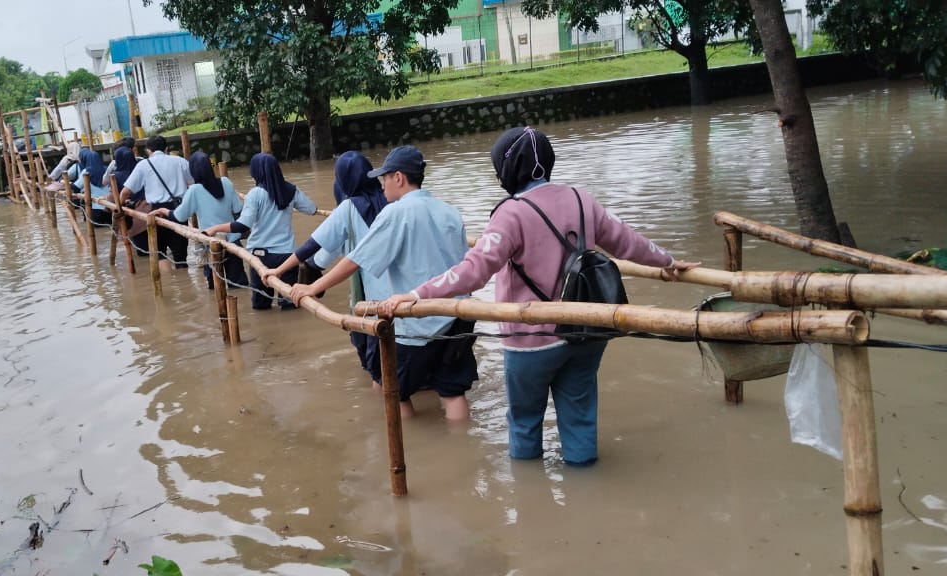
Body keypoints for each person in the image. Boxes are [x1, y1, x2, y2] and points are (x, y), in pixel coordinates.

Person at [378, 127, 700, 464]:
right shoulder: (581, 199)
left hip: (532, 341)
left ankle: (531, 500)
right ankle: (583, 487)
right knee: (580, 419)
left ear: (507, 168)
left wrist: (416, 293)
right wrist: (669, 262)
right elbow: (628, 242)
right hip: (586, 333)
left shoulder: (511, 213)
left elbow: (474, 269)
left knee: (525, 423)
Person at [288, 146, 475, 420]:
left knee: (393, 391)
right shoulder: (449, 211)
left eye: (384, 177)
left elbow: (356, 259)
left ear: (398, 177)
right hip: (457, 315)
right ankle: (460, 450)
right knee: (452, 392)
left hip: (416, 321)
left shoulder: (395, 213)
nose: (381, 184)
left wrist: (312, 288)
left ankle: (412, 451)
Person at [262, 151, 390, 386]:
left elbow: (311, 246)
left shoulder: (349, 208)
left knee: (380, 373)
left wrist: (278, 271)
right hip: (402, 294)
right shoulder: (390, 201)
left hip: (375, 301)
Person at [205, 153, 317, 310]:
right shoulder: (291, 191)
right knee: (290, 305)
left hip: (261, 257)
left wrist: (215, 228)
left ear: (255, 172)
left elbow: (243, 225)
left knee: (261, 306)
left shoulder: (255, 194)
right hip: (287, 257)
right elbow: (312, 209)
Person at [152, 151, 246, 290]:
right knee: (239, 286)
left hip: (211, 243)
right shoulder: (225, 182)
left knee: (215, 286)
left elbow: (179, 217)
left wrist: (163, 211)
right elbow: (238, 210)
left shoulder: (195, 190)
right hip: (233, 242)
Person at [118, 134, 192, 272]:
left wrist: (119, 209)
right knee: (181, 255)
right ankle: (184, 282)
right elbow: (192, 183)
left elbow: (125, 192)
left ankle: (169, 286)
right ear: (167, 148)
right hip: (178, 210)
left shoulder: (143, 165)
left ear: (148, 150)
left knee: (160, 253)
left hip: (155, 213)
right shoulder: (180, 161)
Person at [69, 147, 111, 226]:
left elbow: (76, 187)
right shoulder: (107, 169)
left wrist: (67, 183)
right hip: (109, 208)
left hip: (94, 210)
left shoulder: (86, 171)